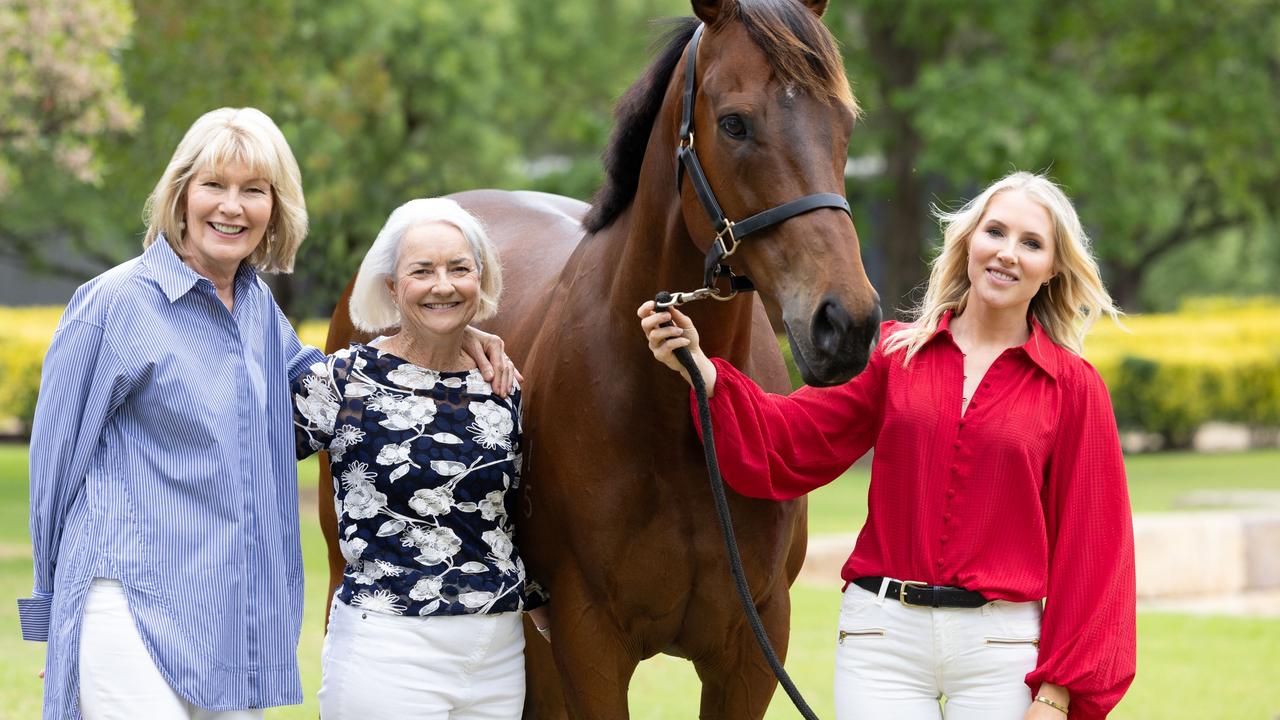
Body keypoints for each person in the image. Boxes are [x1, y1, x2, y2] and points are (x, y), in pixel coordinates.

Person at [19, 108, 516, 720]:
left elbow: (336, 379)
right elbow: (53, 468)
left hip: (225, 610)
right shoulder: (112, 304)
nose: (232, 207)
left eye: (254, 191)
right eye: (214, 186)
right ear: (180, 195)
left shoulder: (256, 311)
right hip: (125, 596)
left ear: (275, 211)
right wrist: (55, 614)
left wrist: (453, 340)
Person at [639, 172, 1135, 719]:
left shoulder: (1074, 388)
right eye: (996, 231)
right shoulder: (896, 356)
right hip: (883, 639)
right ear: (969, 241)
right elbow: (795, 437)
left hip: (1002, 652)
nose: (1008, 254)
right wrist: (706, 373)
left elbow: (1094, 551)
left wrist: (1055, 693)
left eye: (1032, 243)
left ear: (1054, 268)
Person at [293, 197, 548, 719]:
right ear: (392, 287)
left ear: (481, 279)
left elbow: (517, 517)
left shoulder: (502, 385)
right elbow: (237, 457)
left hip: (497, 654)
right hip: (388, 646)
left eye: (459, 269)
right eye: (422, 271)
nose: (443, 284)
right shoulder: (343, 380)